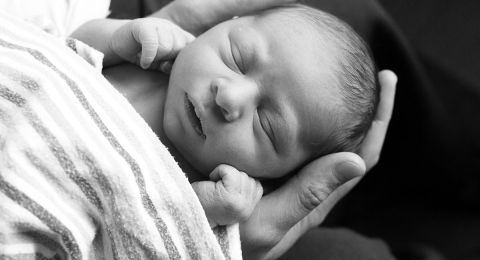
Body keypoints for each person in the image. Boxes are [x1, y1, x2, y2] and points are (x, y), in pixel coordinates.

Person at [102, 1, 398, 259]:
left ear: (274, 181)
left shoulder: (216, 189)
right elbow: (65, 50)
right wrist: (117, 39)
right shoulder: (152, 56)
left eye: (266, 124)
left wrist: (214, 211)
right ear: (218, 26)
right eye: (237, 57)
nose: (228, 97)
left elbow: (149, 234)